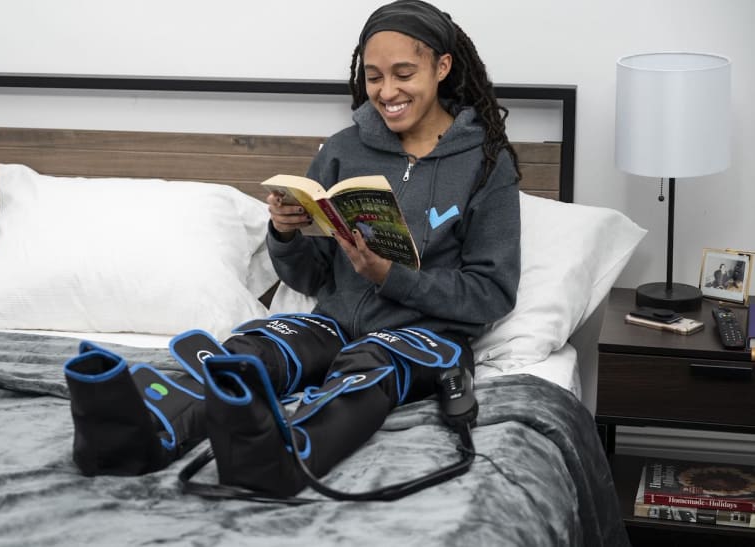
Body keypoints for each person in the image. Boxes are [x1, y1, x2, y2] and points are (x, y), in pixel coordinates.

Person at [63, 0, 521, 499]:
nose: (386, 92)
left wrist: (388, 275)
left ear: (442, 67)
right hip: (333, 321)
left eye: (403, 73)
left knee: (366, 368)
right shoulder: (343, 150)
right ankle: (139, 434)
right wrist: (284, 233)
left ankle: (287, 454)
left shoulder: (485, 163)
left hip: (426, 338)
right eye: (373, 77)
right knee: (253, 349)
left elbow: (491, 293)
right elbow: (309, 277)